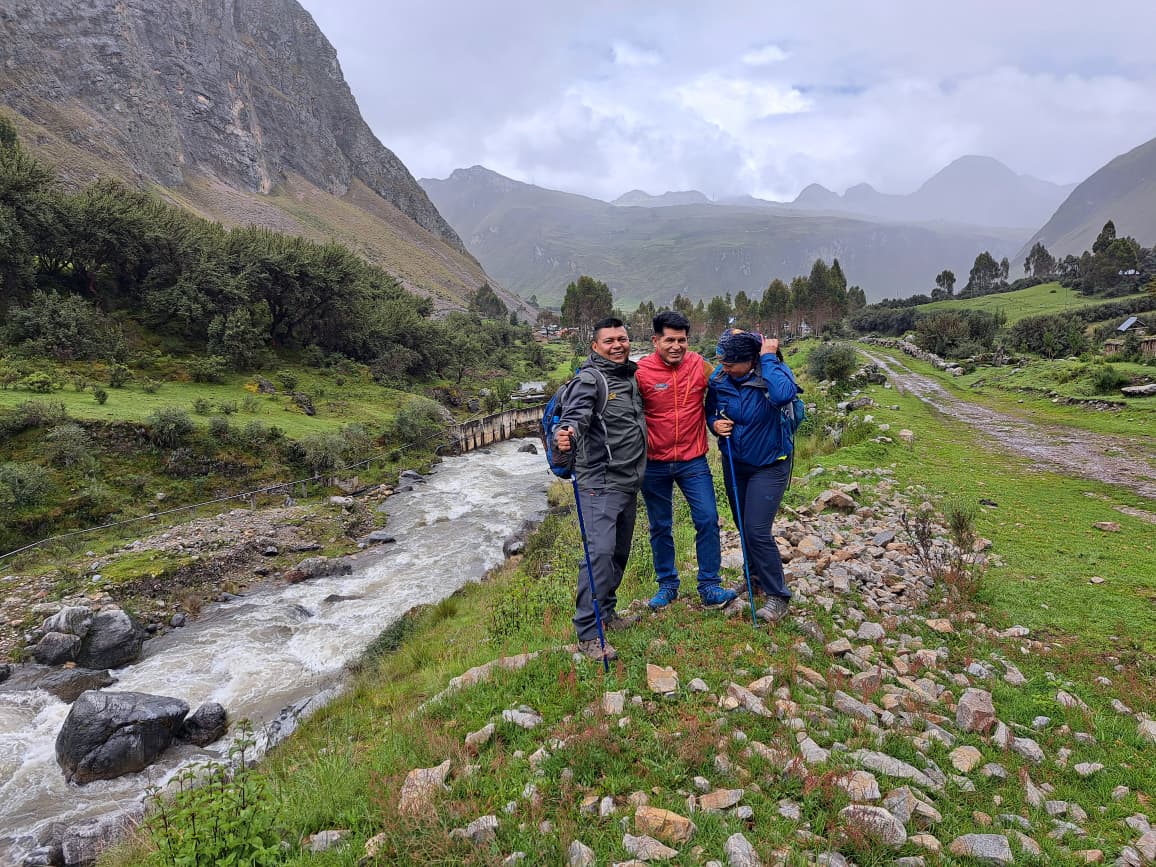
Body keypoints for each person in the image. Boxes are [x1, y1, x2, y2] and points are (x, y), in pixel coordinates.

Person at [554, 317, 648, 661]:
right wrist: (567, 433)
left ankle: (606, 612)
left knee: (618, 553)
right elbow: (576, 415)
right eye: (609, 341)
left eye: (621, 339)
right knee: (599, 555)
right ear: (595, 346)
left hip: (628, 481)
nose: (617, 345)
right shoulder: (590, 380)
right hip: (599, 483)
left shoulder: (630, 377)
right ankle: (588, 633)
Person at [636, 311, 737, 611]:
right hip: (653, 463)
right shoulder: (641, 373)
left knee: (707, 519)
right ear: (656, 340)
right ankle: (667, 585)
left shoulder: (698, 365)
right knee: (660, 525)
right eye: (669, 340)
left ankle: (709, 586)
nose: (676, 346)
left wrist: (717, 420)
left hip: (693, 460)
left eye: (682, 340)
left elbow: (725, 385)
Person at [706, 330, 801, 623]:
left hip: (771, 463)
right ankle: (755, 580)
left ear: (750, 361)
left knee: (757, 529)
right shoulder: (720, 380)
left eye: (730, 363)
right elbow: (710, 410)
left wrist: (768, 356)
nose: (723, 367)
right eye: (721, 361)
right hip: (736, 462)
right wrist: (715, 425)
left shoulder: (772, 374)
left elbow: (786, 394)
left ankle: (778, 597)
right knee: (743, 526)